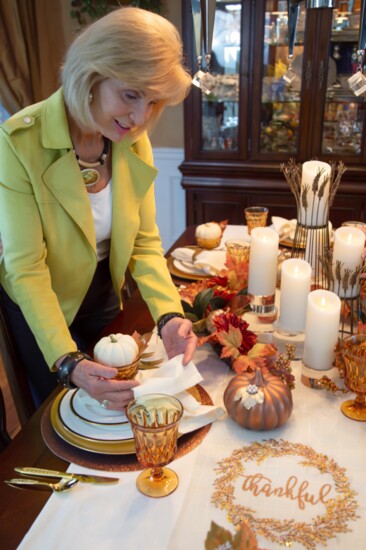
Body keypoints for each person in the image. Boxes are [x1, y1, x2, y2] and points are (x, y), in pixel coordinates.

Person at [0, 7, 196, 410]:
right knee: (59, 416)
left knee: (114, 410)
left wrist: (169, 318)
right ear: (91, 73)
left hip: (102, 292)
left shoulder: (130, 138)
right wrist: (67, 359)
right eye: (130, 94)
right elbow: (27, 269)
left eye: (153, 102)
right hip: (40, 306)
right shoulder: (17, 143)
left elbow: (143, 242)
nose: (141, 118)